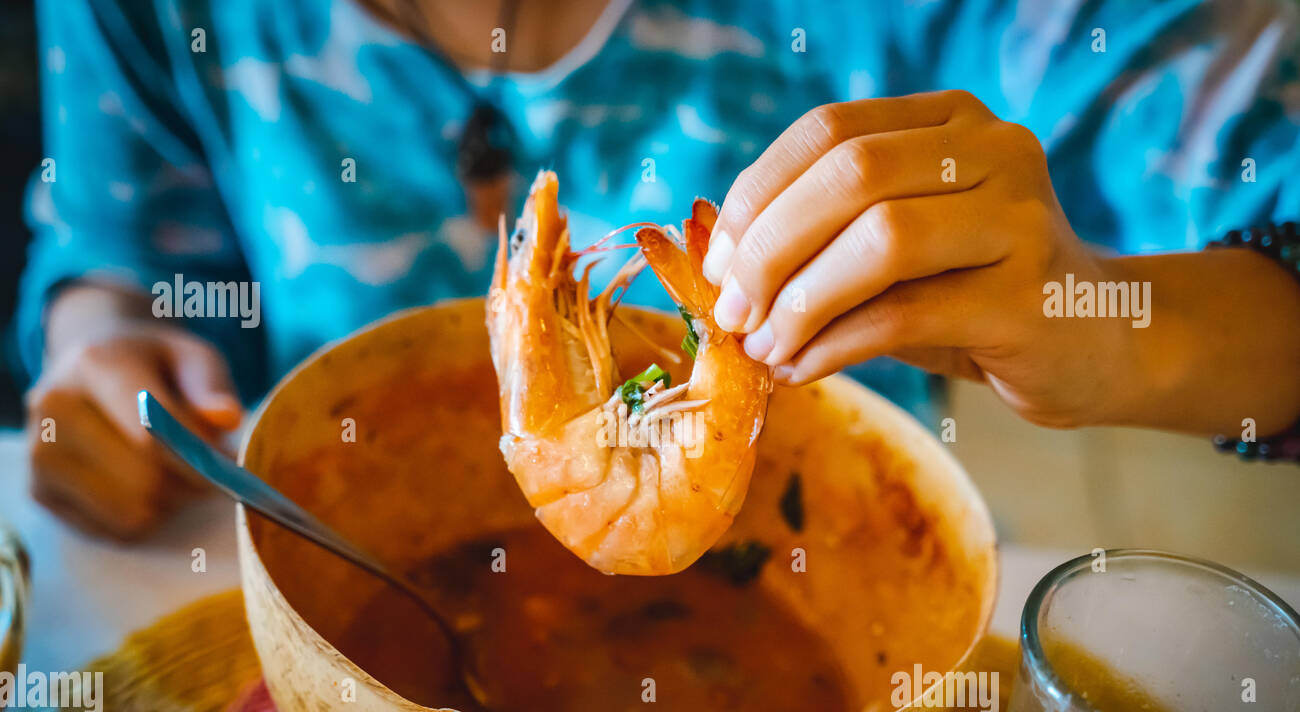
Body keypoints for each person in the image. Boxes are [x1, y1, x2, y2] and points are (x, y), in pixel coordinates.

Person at [14, 0, 1300, 539]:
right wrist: (103, 338)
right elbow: (119, 245)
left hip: (828, 605)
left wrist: (1116, 332)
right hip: (361, 584)